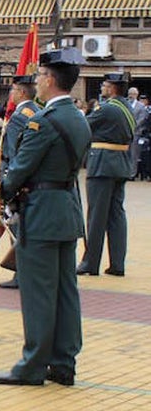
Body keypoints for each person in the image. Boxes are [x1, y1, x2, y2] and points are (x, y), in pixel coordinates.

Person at [0, 48, 91, 387]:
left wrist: (4, 189)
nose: (37, 82)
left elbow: (20, 168)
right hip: (66, 209)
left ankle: (33, 365)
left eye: (39, 77)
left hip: (42, 213)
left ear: (49, 79)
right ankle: (64, 362)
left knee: (38, 292)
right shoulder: (79, 117)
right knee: (65, 290)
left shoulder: (43, 121)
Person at [77, 72, 135, 277]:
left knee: (96, 216)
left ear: (112, 88)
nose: (102, 87)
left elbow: (82, 125)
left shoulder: (107, 108)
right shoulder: (127, 107)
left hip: (102, 164)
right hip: (120, 164)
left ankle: (90, 263)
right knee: (116, 216)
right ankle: (117, 264)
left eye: (104, 85)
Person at [0, 75, 40, 290]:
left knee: (16, 225)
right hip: (31, 178)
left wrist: (9, 184)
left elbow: (14, 152)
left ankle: (20, 274)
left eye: (13, 90)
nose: (10, 94)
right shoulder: (36, 111)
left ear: (22, 93)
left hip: (15, 175)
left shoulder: (20, 116)